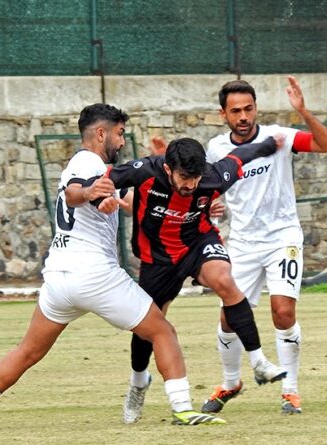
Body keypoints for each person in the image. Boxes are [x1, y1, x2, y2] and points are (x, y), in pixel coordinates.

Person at [0, 103, 225, 430]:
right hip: (94, 274)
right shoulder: (87, 161)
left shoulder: (96, 170)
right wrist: (90, 192)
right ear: (101, 133)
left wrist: (113, 196)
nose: (121, 142)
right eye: (118, 134)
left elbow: (117, 203)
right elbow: (76, 192)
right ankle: (183, 408)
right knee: (163, 331)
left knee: (28, 351)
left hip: (59, 278)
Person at [105, 135, 289, 424]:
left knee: (225, 281)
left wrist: (270, 143)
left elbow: (243, 154)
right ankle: (138, 382)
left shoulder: (213, 176)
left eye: (195, 177)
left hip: (197, 244)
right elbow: (102, 178)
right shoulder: (144, 171)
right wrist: (100, 194)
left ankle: (258, 361)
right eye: (184, 177)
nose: (191, 184)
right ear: (168, 169)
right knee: (147, 327)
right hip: (158, 258)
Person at [202, 76, 327, 415]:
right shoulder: (217, 148)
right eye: (236, 111)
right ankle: (231, 383)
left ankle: (290, 391)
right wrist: (210, 205)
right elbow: (210, 189)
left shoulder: (280, 137)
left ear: (256, 108)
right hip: (244, 243)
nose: (243, 116)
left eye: (248, 108)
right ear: (224, 114)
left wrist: (303, 112)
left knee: (283, 312)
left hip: (283, 239)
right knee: (229, 319)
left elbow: (326, 145)